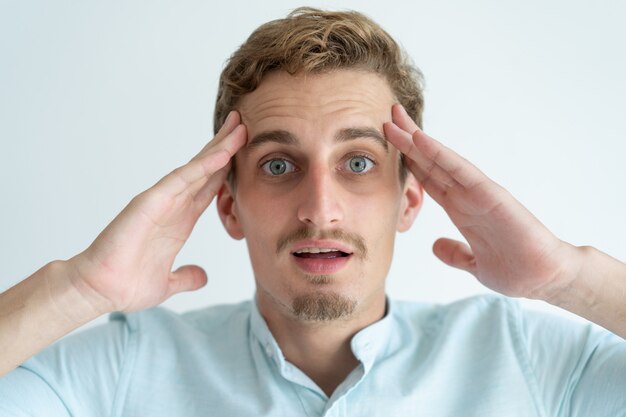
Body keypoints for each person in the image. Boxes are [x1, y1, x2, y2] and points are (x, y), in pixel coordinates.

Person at [1, 7, 625, 416]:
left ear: (409, 199)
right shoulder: (123, 371)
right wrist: (79, 288)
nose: (319, 209)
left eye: (358, 162)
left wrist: (567, 278)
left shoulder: (530, 359)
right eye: (278, 165)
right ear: (229, 205)